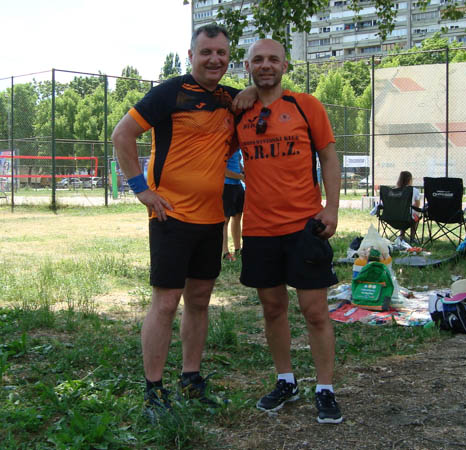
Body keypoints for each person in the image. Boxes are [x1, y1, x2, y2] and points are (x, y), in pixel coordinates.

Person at [111, 23, 253, 418]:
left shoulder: (232, 99)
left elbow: (259, 104)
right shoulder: (169, 93)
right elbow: (122, 135)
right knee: (166, 302)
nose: (214, 59)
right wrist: (141, 189)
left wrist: (252, 92)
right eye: (206, 52)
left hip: (212, 219)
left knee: (200, 300)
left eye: (221, 52)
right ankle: (153, 390)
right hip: (170, 216)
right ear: (191, 56)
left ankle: (191, 379)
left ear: (229, 57)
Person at [234, 38, 343, 424]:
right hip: (259, 229)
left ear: (285, 66)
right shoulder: (238, 110)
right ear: (247, 66)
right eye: (258, 60)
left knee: (315, 312)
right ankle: (286, 381)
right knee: (273, 308)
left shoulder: (306, 106)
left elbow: (328, 156)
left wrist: (332, 208)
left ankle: (325, 388)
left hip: (304, 227)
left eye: (273, 59)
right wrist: (247, 93)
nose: (265, 65)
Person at [222, 151, 245, 261]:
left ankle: (237, 249)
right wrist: (240, 177)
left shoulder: (237, 147)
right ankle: (225, 252)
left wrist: (243, 171)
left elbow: (237, 161)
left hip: (237, 185)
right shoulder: (224, 147)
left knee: (238, 216)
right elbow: (222, 170)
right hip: (226, 184)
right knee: (225, 220)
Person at [395, 170, 421, 242]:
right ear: (410, 180)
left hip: (394, 217)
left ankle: (402, 235)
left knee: (402, 213)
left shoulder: (394, 190)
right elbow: (417, 205)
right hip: (409, 218)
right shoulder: (414, 190)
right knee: (415, 215)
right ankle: (412, 237)